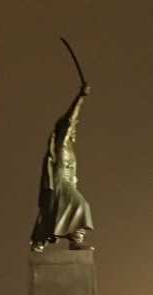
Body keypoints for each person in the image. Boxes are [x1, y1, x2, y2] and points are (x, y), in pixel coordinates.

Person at [31, 83, 94, 252]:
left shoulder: (71, 149)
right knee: (81, 205)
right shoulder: (61, 144)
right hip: (58, 180)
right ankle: (74, 239)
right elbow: (69, 119)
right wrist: (80, 98)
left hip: (68, 182)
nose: (73, 130)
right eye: (71, 129)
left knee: (53, 211)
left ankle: (47, 241)